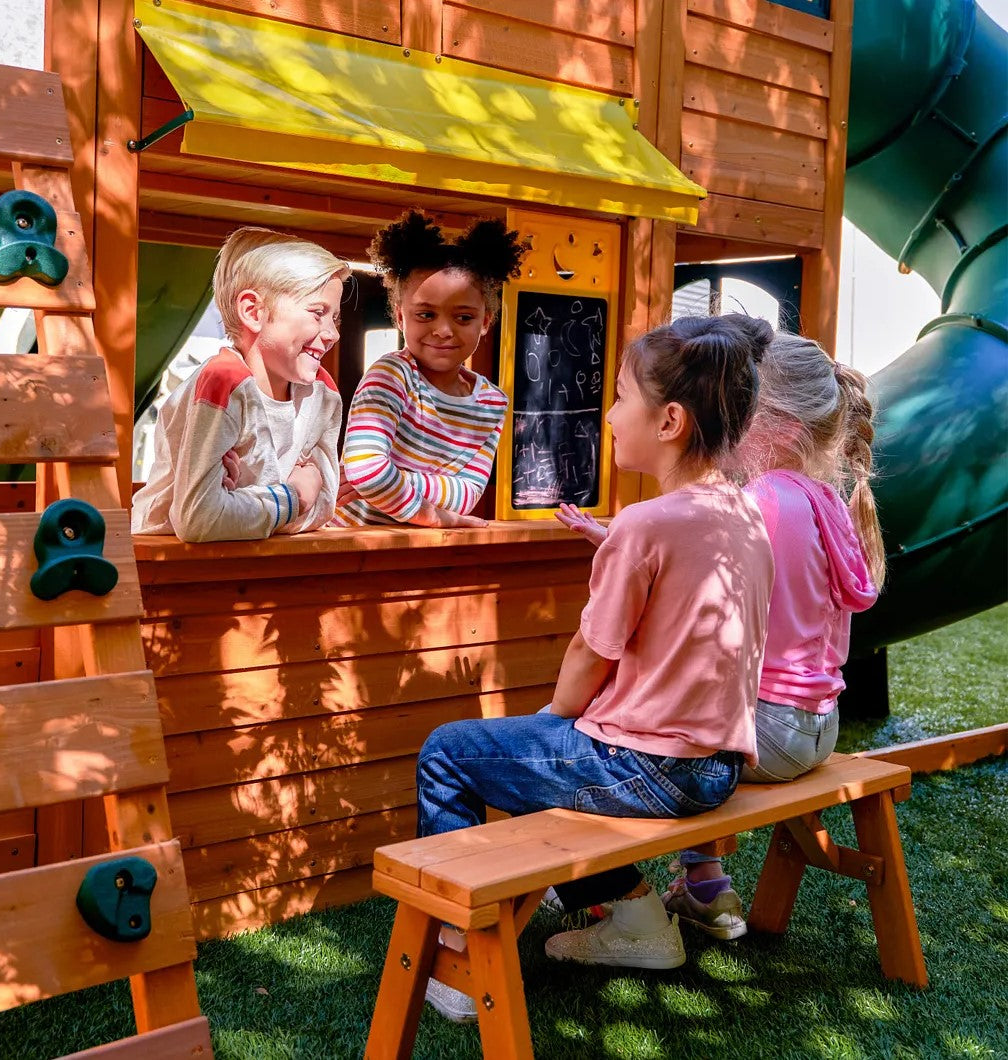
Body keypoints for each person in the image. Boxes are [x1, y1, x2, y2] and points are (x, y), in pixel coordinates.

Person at [416, 314, 776, 1022]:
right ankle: (637, 921)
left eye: (618, 396)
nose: (607, 413)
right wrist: (616, 538)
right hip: (717, 766)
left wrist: (548, 721)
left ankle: (458, 966)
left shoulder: (647, 524)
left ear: (669, 420)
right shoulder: (743, 512)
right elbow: (686, 570)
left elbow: (591, 651)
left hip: (650, 767)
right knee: (530, 759)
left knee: (453, 753)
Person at [553, 329, 884, 944]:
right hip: (819, 725)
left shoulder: (759, 502)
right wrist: (627, 541)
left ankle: (609, 894)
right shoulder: (824, 499)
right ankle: (705, 885)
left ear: (773, 427)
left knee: (609, 728)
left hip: (767, 732)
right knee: (703, 707)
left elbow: (703, 601)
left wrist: (636, 549)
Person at [132, 227, 348, 542]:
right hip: (171, 570)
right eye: (318, 314)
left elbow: (325, 506)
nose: (332, 334)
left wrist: (242, 504)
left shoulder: (321, 392)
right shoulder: (223, 382)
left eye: (336, 318)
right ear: (253, 311)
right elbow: (199, 522)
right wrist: (295, 497)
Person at [333, 210, 527, 528]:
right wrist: (434, 515)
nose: (443, 331)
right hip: (352, 547)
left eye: (463, 317)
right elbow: (367, 470)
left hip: (422, 555)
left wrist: (391, 480)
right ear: (399, 317)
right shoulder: (391, 376)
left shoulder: (492, 402)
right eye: (425, 315)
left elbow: (468, 495)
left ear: (485, 322)